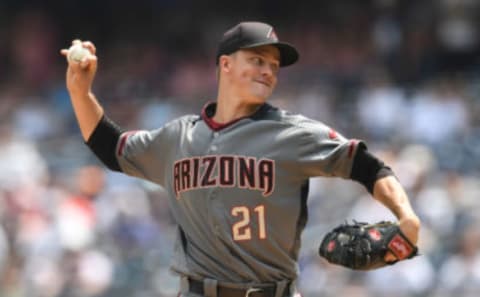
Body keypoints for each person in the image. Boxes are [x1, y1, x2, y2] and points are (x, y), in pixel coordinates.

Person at [61, 21, 421, 297]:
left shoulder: (292, 133)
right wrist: (80, 91)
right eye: (257, 60)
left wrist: (406, 215)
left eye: (274, 65)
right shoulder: (177, 137)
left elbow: (367, 165)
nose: (268, 70)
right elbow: (110, 146)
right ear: (226, 65)